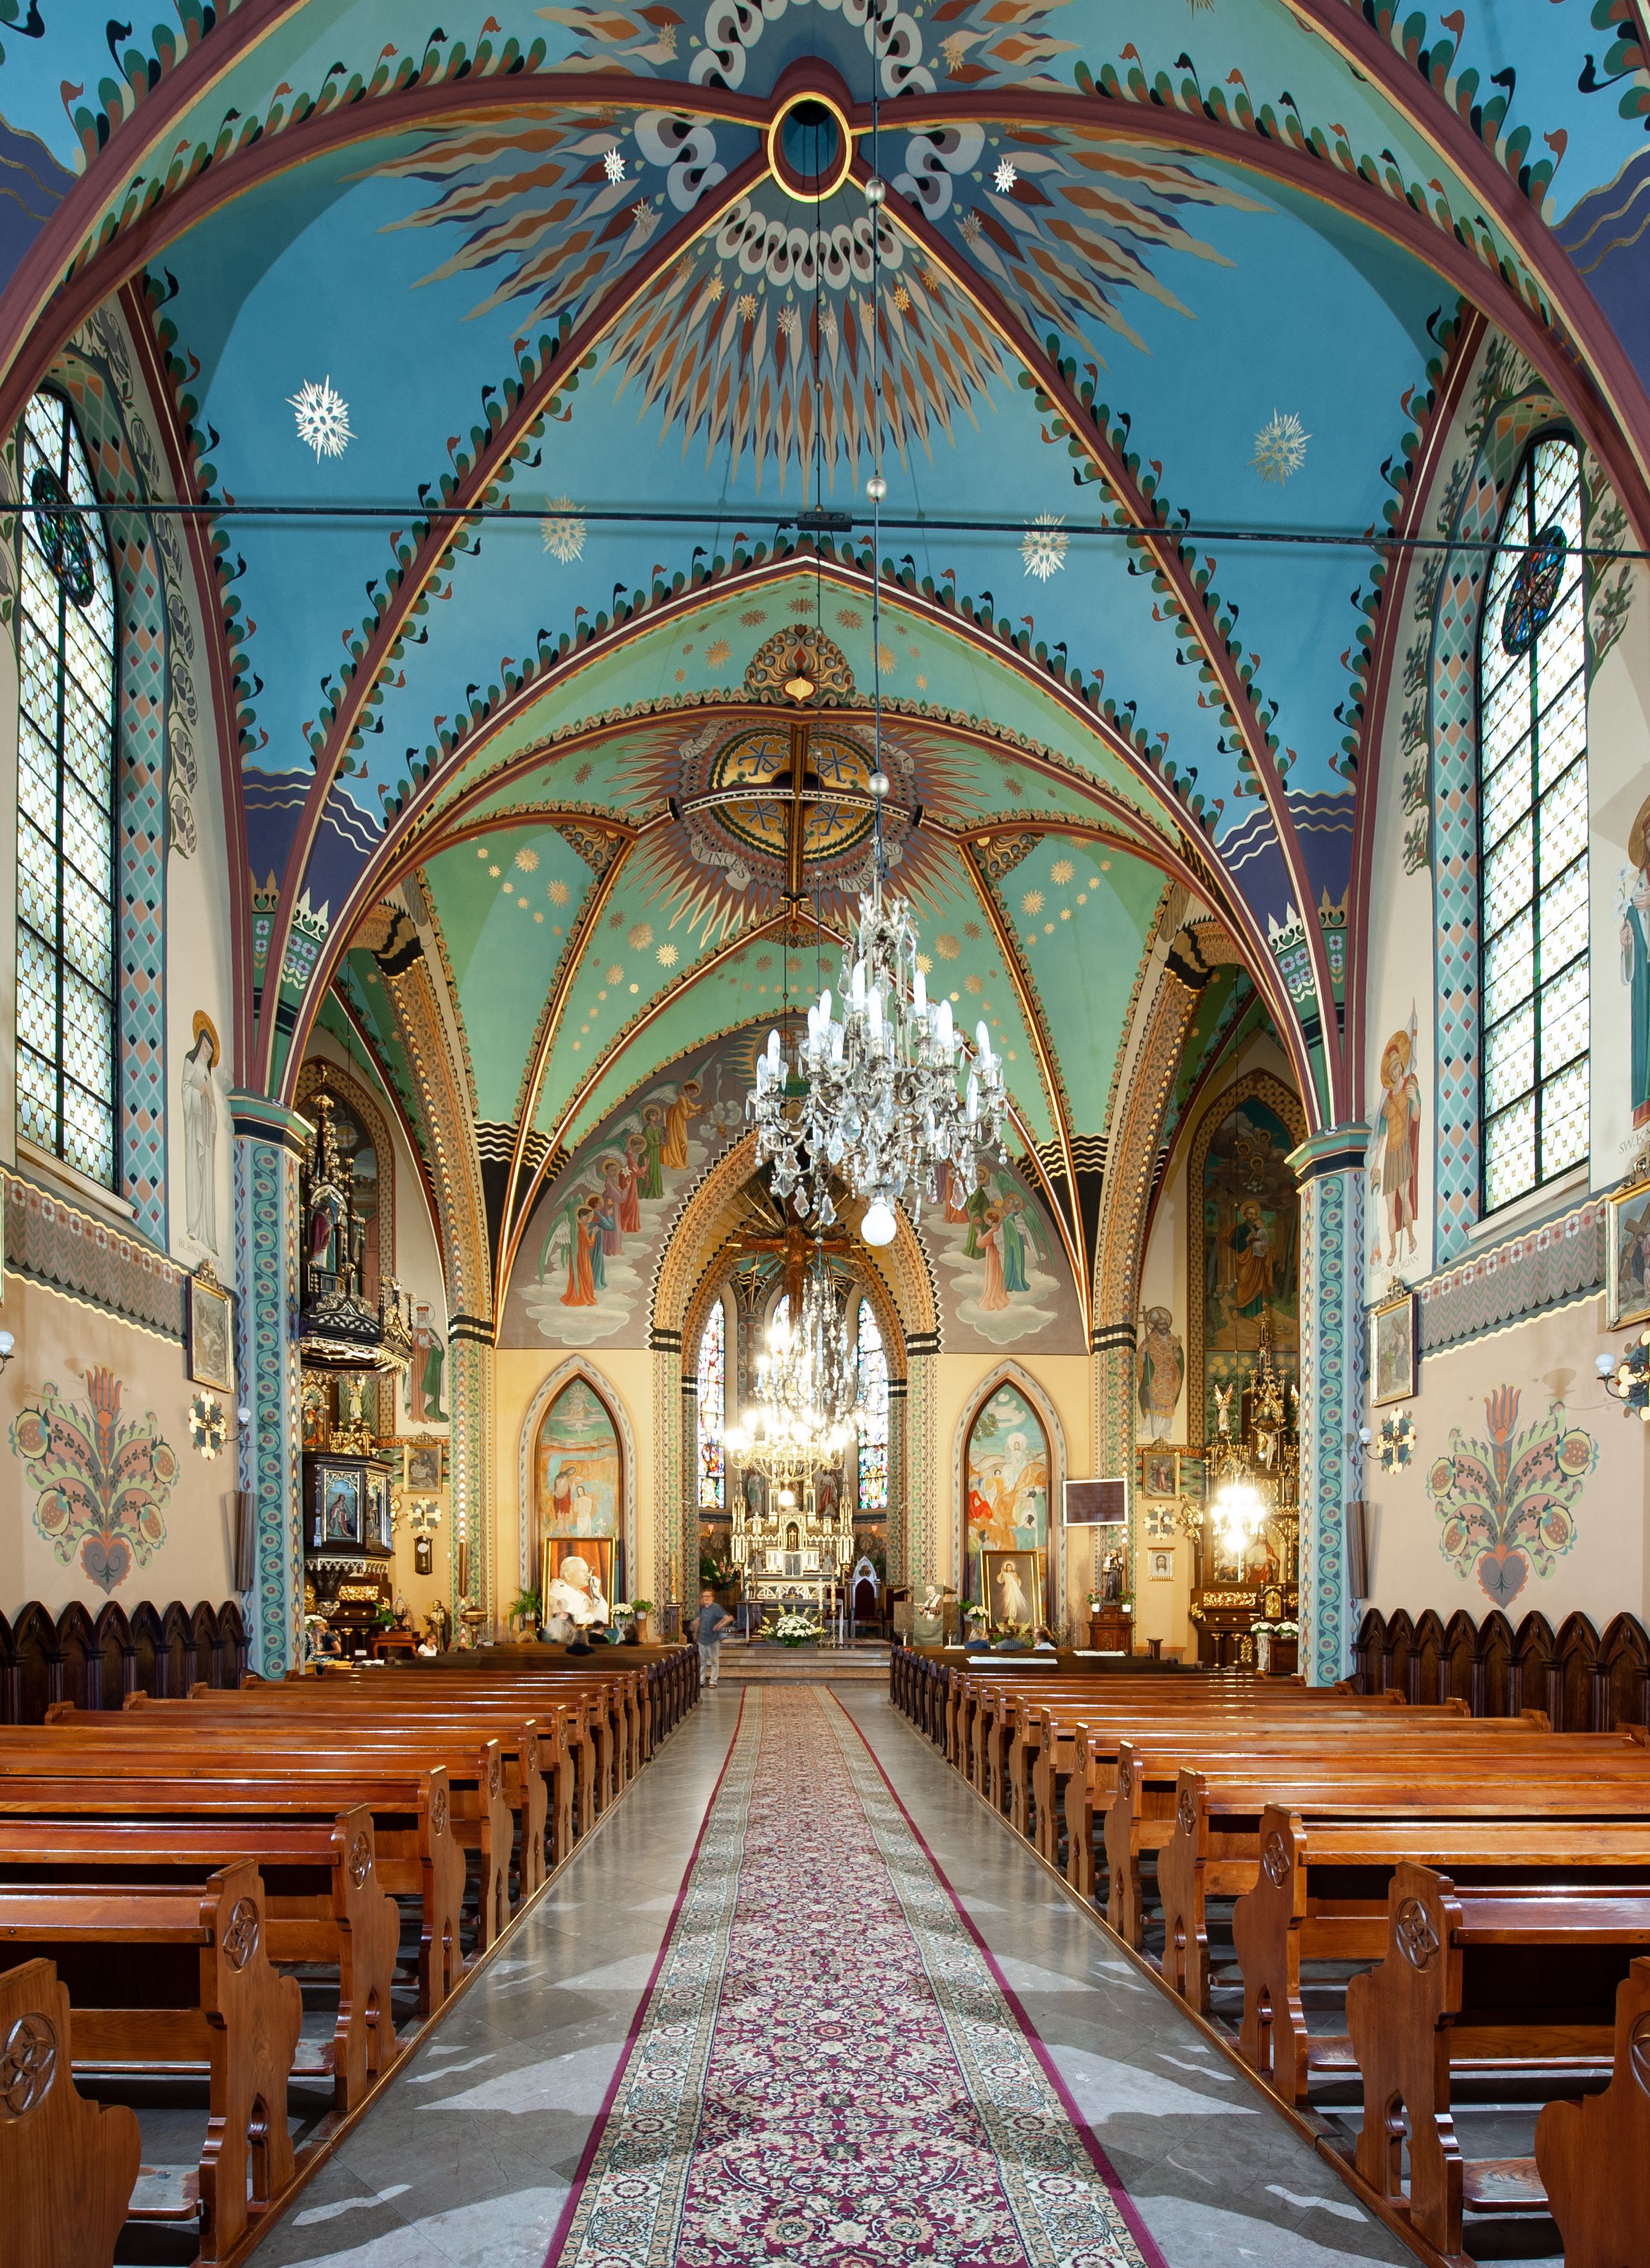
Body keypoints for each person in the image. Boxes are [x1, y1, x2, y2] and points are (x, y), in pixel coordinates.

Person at [696, 1587, 733, 1688]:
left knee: (714, 1662)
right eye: (704, 1596)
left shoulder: (716, 1607)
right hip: (702, 1639)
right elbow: (699, 1621)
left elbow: (729, 1618)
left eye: (708, 1596)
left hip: (713, 1639)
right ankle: (701, 1681)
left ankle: (713, 1681)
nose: (706, 1598)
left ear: (712, 1598)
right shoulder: (702, 1608)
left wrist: (719, 1625)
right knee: (702, 1662)